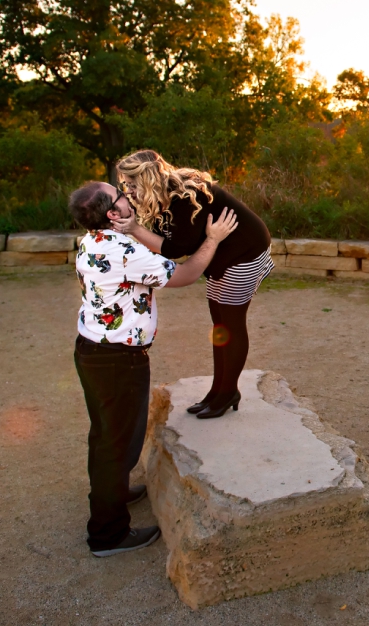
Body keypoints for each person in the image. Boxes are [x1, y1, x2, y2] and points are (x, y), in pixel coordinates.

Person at [69, 180, 238, 557]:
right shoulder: (124, 251)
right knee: (119, 444)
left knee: (105, 434)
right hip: (118, 360)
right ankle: (107, 535)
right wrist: (212, 238)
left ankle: (112, 495)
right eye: (120, 196)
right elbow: (186, 274)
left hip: (92, 351)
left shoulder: (91, 241)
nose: (128, 197)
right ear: (114, 214)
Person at [110, 150, 273, 419]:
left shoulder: (186, 198)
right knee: (220, 324)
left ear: (148, 178)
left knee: (231, 323)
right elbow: (167, 238)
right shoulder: (164, 195)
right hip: (221, 256)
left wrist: (134, 229)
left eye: (132, 184)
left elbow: (175, 249)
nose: (128, 190)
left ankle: (227, 391)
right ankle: (217, 391)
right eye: (125, 184)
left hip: (246, 253)